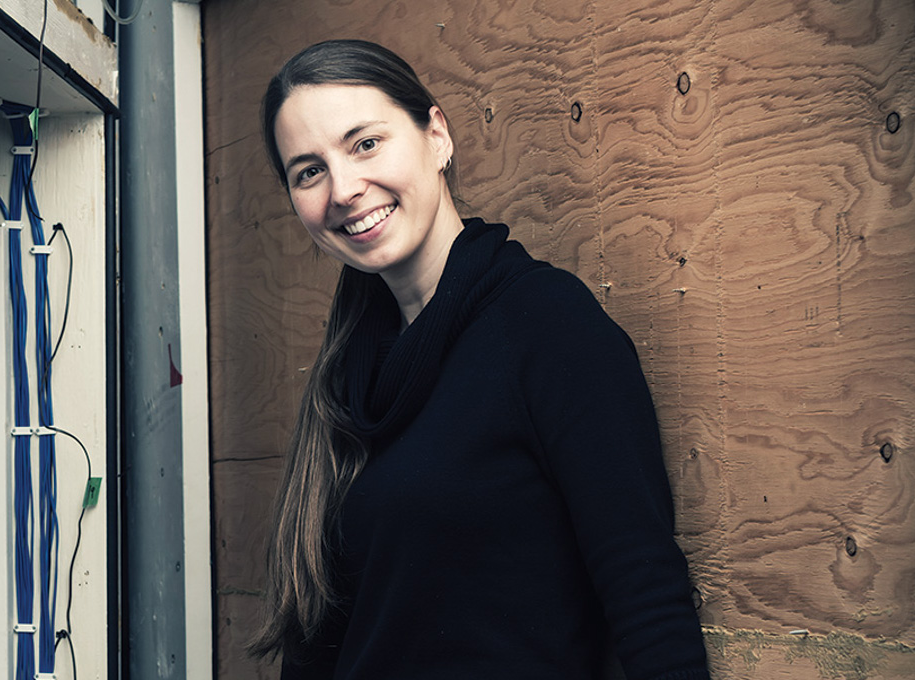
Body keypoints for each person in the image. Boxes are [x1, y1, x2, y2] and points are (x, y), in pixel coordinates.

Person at [250, 39, 711, 680]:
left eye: (366, 144)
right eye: (308, 172)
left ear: (436, 136)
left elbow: (648, 597)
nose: (344, 189)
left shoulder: (548, 326)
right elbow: (318, 640)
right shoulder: (347, 374)